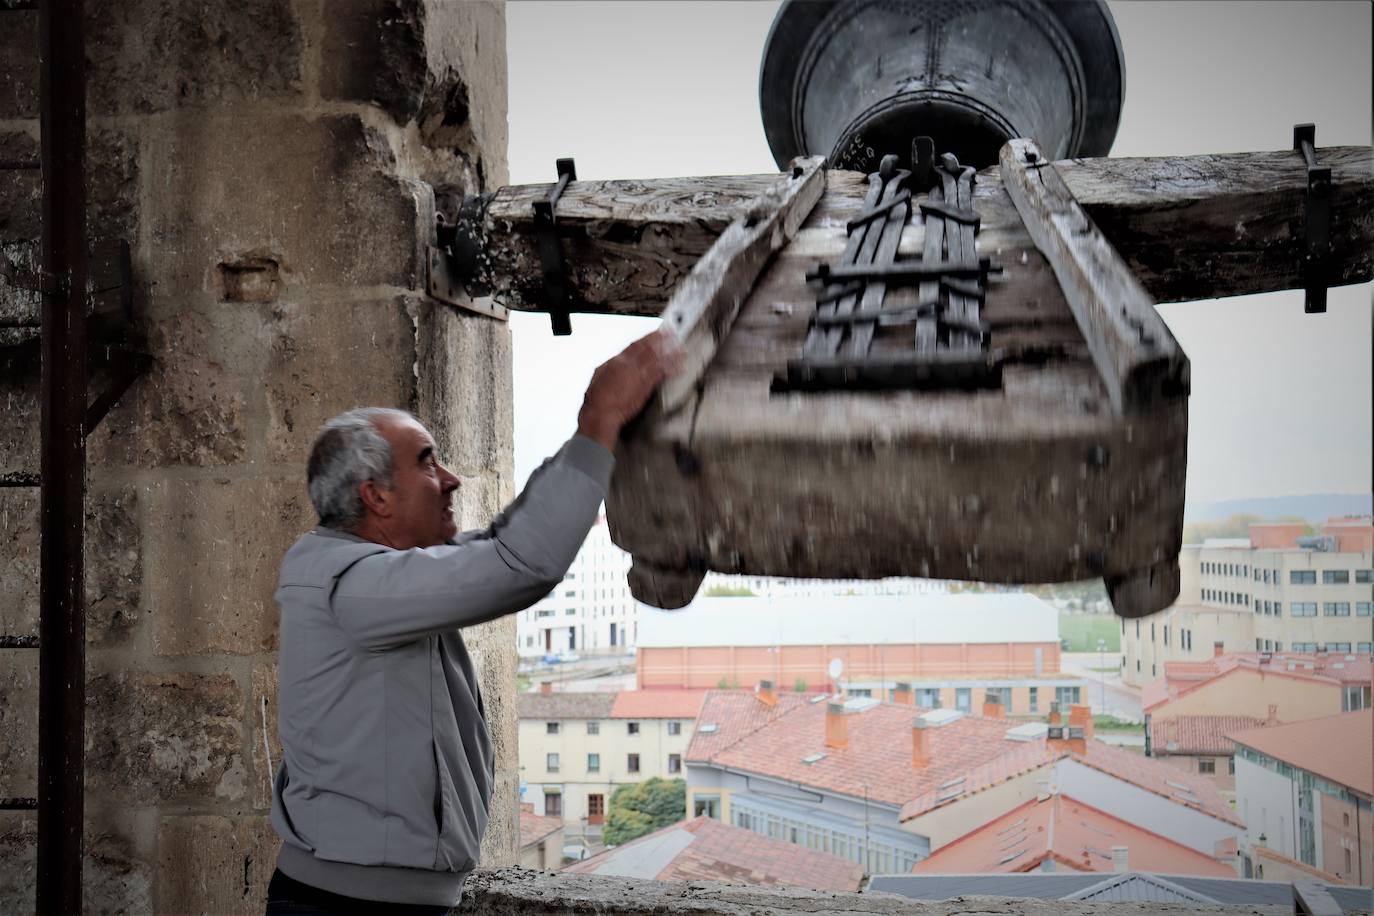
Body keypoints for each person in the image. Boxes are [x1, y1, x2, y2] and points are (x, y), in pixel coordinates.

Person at [265, 329, 682, 914]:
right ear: (376, 498)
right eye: (427, 462)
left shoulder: (375, 577)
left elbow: (495, 548)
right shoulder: (349, 586)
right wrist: (600, 419)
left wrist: (588, 443)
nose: (452, 477)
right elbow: (520, 564)